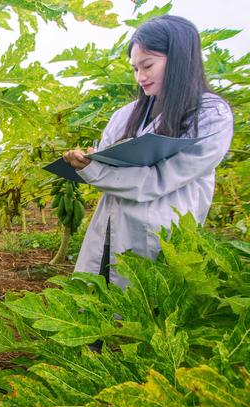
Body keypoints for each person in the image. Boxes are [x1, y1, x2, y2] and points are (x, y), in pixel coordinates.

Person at [63, 15, 233, 289]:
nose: (140, 77)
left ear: (180, 60)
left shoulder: (211, 114)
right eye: (134, 69)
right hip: (110, 228)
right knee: (100, 306)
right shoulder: (124, 115)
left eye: (148, 65)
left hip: (160, 236)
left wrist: (94, 170)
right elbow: (109, 170)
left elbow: (159, 180)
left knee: (147, 313)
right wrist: (92, 160)